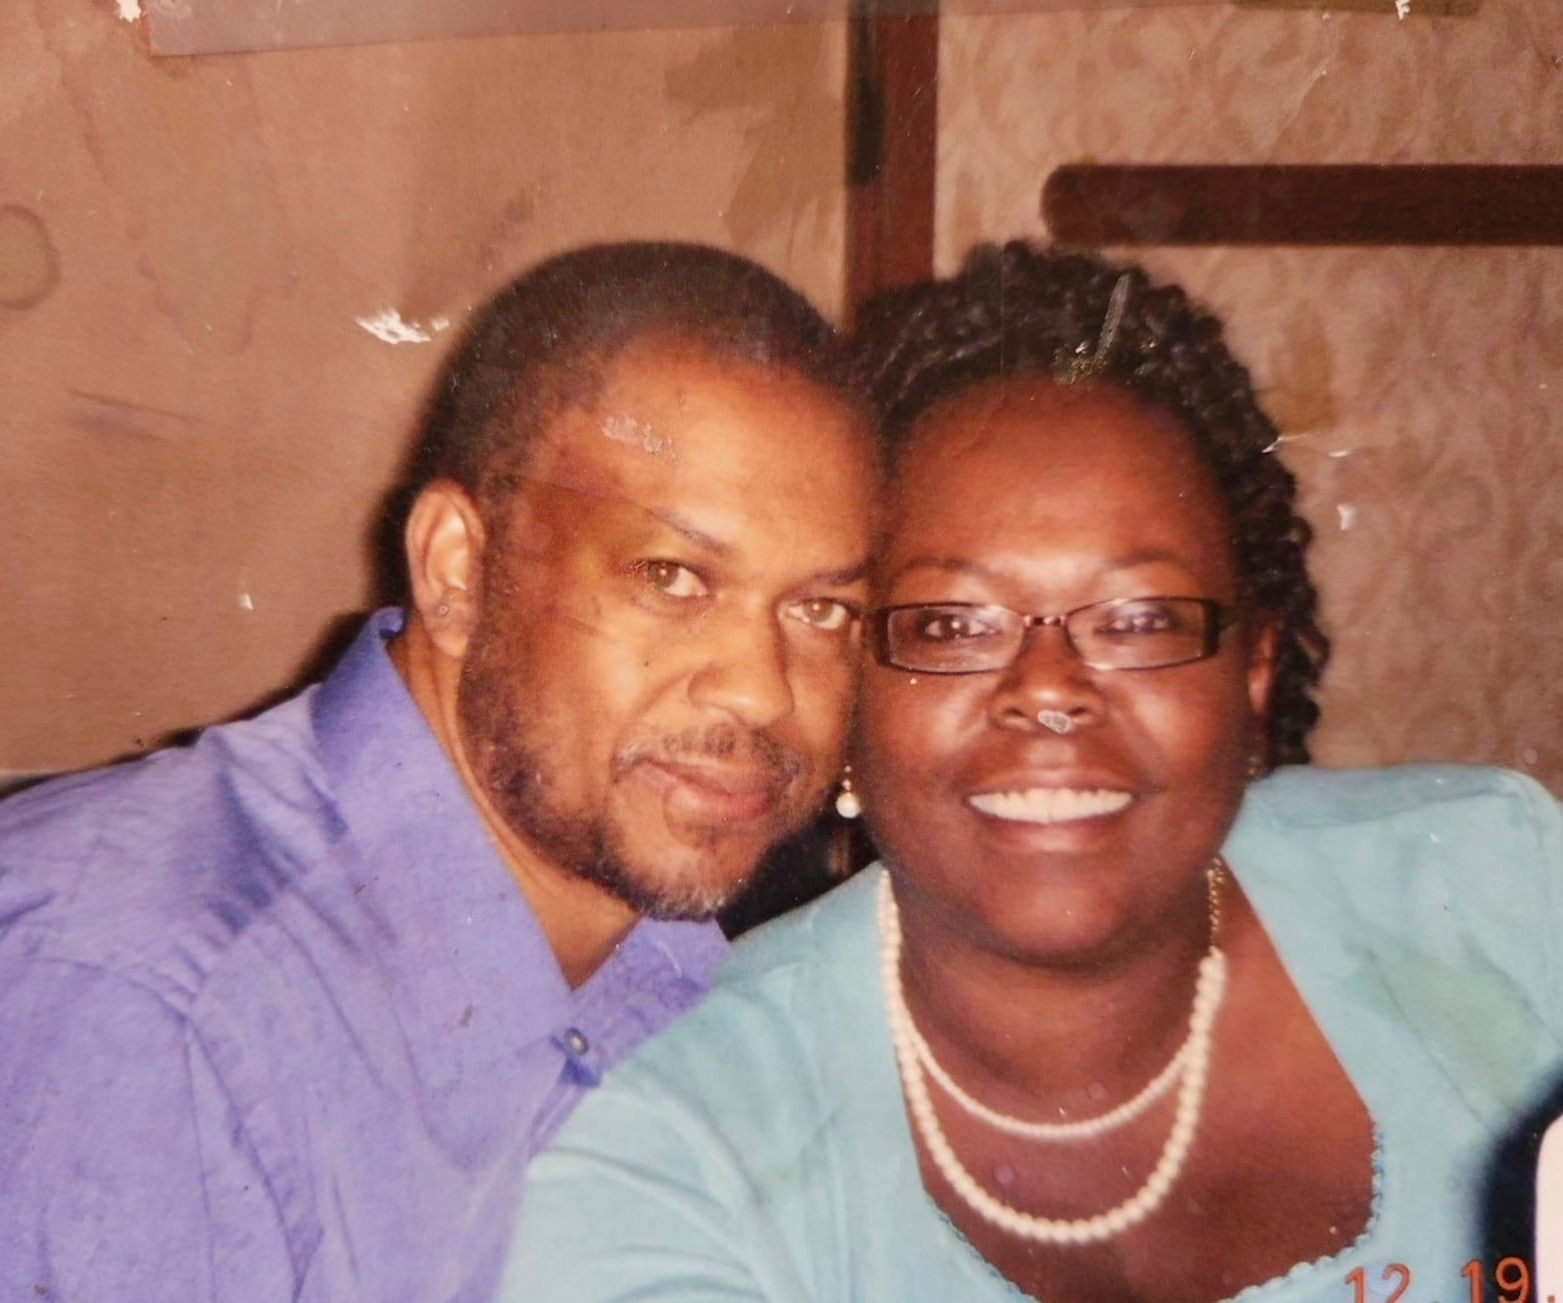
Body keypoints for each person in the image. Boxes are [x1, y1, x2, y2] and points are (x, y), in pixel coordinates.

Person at [500, 243, 1563, 1301]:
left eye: (1138, 618)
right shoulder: (672, 1146)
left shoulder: (1495, 885)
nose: (1048, 689)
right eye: (951, 624)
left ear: (1253, 672)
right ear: (848, 693)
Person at [0, 242, 877, 1301]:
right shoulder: (145, 1009)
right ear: (456, 571)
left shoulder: (679, 973)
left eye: (822, 610)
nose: (764, 693)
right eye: (671, 578)